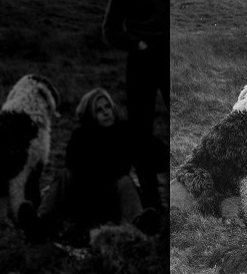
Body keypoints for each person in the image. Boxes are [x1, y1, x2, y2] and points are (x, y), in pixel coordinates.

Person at [102, 0, 169, 210]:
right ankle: (153, 205)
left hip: (170, 61)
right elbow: (111, 30)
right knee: (141, 134)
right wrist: (137, 44)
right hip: (141, 64)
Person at [37, 88, 161, 242]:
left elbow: (152, 150)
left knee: (125, 181)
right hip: (84, 199)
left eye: (107, 107)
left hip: (111, 202)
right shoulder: (80, 136)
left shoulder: (125, 131)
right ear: (90, 114)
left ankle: (139, 223)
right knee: (64, 175)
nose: (106, 112)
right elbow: (76, 169)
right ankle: (40, 220)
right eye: (99, 110)